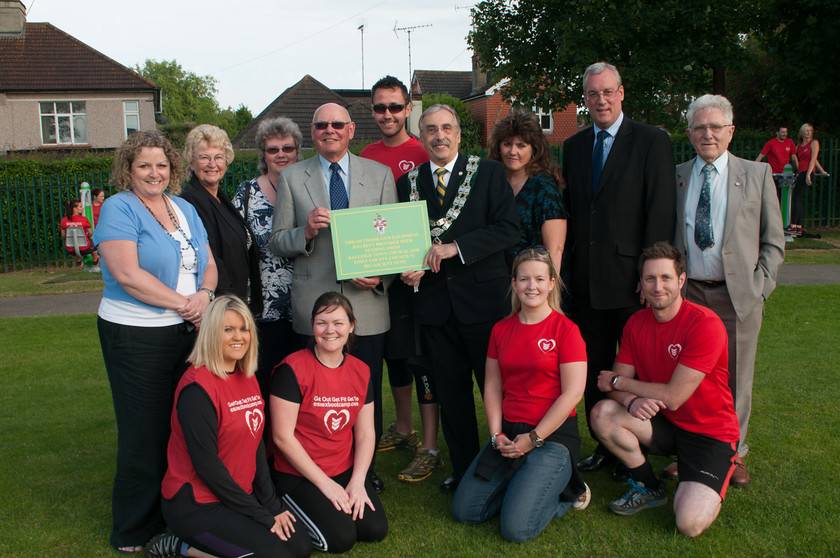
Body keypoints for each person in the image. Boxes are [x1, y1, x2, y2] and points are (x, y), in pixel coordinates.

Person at [93, 130, 217, 554]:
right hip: (135, 335)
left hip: (185, 331)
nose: (154, 173)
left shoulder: (183, 208)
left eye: (161, 165)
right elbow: (127, 274)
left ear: (173, 168)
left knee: (179, 427)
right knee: (143, 433)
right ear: (128, 169)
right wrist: (186, 304)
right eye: (144, 165)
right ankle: (131, 528)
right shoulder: (118, 208)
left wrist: (205, 297)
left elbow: (209, 263)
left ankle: (172, 514)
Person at [270, 103, 397, 494]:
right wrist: (304, 232)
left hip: (368, 308)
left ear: (351, 129)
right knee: (314, 399)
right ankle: (314, 473)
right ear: (312, 131)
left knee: (366, 396)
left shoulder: (379, 175)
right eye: (322, 124)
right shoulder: (292, 177)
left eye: (337, 124)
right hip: (315, 312)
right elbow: (277, 242)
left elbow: (394, 242)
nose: (330, 130)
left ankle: (364, 473)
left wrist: (379, 278)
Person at [396, 104, 519, 492]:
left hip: (484, 305)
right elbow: (403, 241)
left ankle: (516, 463)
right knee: (451, 395)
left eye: (447, 127)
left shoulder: (490, 173)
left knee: (498, 391)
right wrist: (406, 266)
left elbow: (508, 230)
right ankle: (467, 470)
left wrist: (456, 248)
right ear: (421, 136)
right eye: (430, 129)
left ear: (460, 134)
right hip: (433, 306)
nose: (439, 136)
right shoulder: (407, 183)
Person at [562, 61, 676, 473]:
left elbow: (660, 213)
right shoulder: (573, 147)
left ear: (622, 93)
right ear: (585, 99)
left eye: (608, 92)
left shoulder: (651, 141)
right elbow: (575, 215)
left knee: (635, 370)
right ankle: (605, 444)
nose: (601, 100)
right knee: (593, 368)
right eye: (592, 94)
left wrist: (650, 279)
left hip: (632, 285)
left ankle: (642, 444)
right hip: (586, 287)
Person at [591, 242, 739, 537]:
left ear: (681, 281)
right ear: (641, 284)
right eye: (650, 279)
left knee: (688, 523)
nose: (658, 287)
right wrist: (630, 401)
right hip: (667, 426)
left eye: (666, 278)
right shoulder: (636, 323)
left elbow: (672, 397)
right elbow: (612, 388)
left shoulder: (704, 324)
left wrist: (621, 385)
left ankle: (711, 471)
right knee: (603, 413)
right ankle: (650, 487)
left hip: (709, 434)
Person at [146, 295, 312, 558]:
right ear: (212, 333)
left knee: (300, 548)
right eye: (228, 329)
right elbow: (207, 467)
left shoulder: (246, 376)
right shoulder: (197, 388)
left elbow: (255, 444)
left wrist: (273, 506)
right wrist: (260, 514)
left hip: (236, 499)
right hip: (197, 506)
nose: (239, 337)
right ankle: (182, 548)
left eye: (244, 328)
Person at [675, 94, 785, 487]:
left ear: (730, 131)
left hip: (738, 296)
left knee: (736, 379)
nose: (708, 134)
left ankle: (733, 456)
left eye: (715, 127)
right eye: (700, 127)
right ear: (689, 133)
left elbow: (774, 241)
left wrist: (760, 287)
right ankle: (690, 452)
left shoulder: (757, 174)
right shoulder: (678, 176)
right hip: (689, 298)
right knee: (689, 379)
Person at [450, 247, 589, 542]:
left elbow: (573, 393)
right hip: (509, 435)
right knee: (465, 511)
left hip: (551, 438)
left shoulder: (567, 330)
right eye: (524, 279)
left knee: (516, 529)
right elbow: (491, 387)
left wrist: (534, 438)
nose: (531, 286)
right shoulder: (501, 330)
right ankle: (523, 487)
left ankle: (569, 490)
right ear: (513, 284)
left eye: (539, 278)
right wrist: (496, 434)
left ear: (552, 283)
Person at [360, 76, 440, 484]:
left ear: (409, 109)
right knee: (395, 356)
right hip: (380, 279)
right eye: (380, 107)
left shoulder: (424, 151)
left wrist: (420, 261)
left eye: (395, 106)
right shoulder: (366, 155)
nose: (387, 114)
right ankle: (404, 429)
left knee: (420, 357)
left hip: (416, 277)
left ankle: (430, 446)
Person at [270, 292, 388, 553]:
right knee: (340, 539)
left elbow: (366, 433)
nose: (330, 330)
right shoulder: (292, 369)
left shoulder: (361, 370)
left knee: (374, 529)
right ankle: (284, 505)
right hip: (300, 473)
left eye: (338, 323)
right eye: (322, 322)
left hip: (342, 468)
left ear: (351, 326)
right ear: (312, 325)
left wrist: (358, 480)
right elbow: (282, 437)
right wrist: (325, 484)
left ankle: (335, 500)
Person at [232, 117, 303, 402]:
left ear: (298, 151)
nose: (281, 154)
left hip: (305, 304)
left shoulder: (311, 189)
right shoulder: (247, 194)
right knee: (263, 385)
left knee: (300, 387)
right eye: (273, 149)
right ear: (263, 154)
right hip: (265, 307)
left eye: (288, 147)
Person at [181, 124, 262, 315]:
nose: (212, 164)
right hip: (219, 307)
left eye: (218, 157)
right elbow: (209, 258)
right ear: (191, 163)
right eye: (204, 158)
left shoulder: (221, 200)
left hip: (238, 300)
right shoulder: (190, 202)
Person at [487, 110, 568, 272]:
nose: (512, 152)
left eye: (521, 145)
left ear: (534, 150)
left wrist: (547, 291)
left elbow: (555, 250)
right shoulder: (493, 183)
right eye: (507, 144)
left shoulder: (544, 188)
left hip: (531, 283)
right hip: (495, 281)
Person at [790, 123, 829, 236]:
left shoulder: (814, 143)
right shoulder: (799, 146)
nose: (809, 133)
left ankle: (793, 225)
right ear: (802, 132)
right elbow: (800, 159)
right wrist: (821, 171)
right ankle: (798, 226)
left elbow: (813, 159)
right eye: (807, 131)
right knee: (798, 198)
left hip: (807, 172)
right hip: (802, 172)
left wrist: (808, 174)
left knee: (796, 197)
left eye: (810, 131)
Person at [60, 198, 99, 268]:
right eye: (80, 206)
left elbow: (63, 235)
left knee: (75, 244)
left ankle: (79, 262)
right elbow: (90, 233)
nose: (82, 208)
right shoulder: (84, 219)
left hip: (70, 249)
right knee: (93, 244)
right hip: (85, 249)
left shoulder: (64, 220)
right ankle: (95, 262)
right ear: (74, 209)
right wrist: (88, 237)